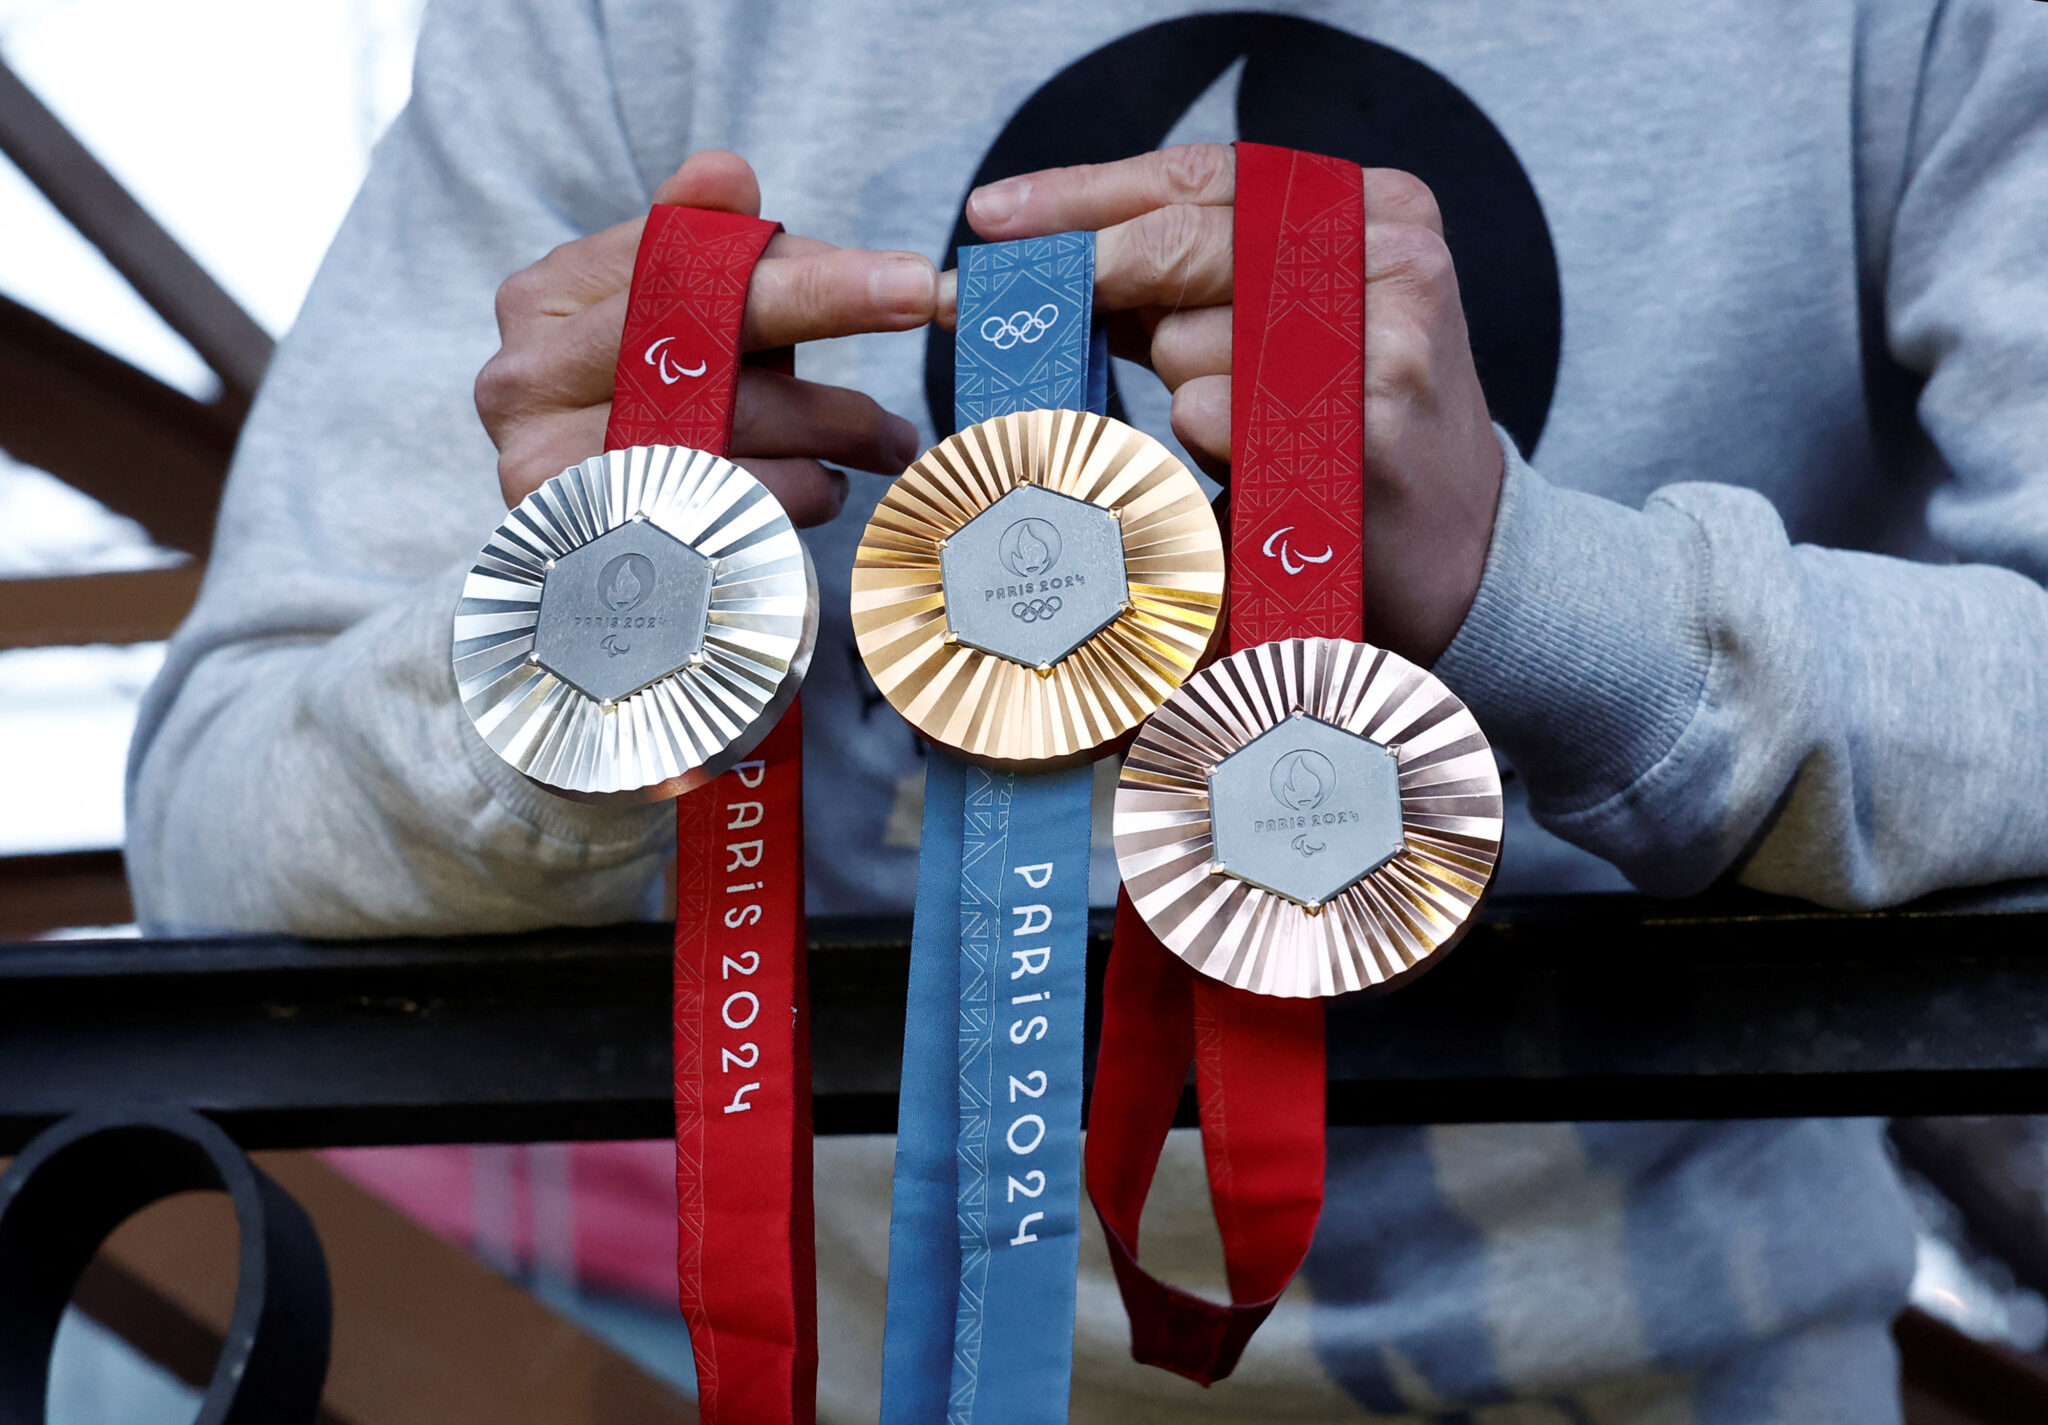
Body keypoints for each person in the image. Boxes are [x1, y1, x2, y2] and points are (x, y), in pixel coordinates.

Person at [126, 0, 2048, 1419]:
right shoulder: (629, 24)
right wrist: (589, 625)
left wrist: (1525, 580)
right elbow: (217, 829)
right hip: (859, 1375)